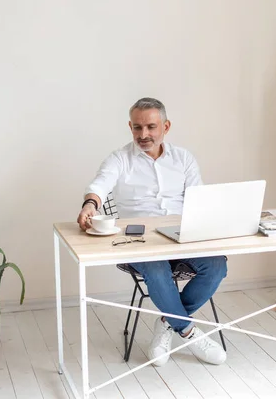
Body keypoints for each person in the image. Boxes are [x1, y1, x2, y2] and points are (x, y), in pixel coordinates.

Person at [77, 97, 227, 366]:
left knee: (217, 265)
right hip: (137, 241)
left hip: (182, 236)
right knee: (157, 271)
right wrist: (90, 204)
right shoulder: (119, 159)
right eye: (137, 128)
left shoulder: (184, 159)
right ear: (130, 127)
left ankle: (167, 323)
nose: (143, 135)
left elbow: (199, 198)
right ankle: (189, 331)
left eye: (150, 127)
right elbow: (99, 185)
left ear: (165, 127)